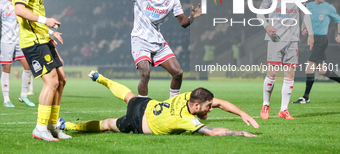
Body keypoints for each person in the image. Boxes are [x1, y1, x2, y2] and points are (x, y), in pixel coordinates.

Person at [84, 0, 201, 98]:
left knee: (178, 73)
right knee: (145, 73)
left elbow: (183, 23)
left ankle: (172, 106)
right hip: (140, 40)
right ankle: (141, 108)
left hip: (157, 41)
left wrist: (192, 17)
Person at [59, 70, 259, 137]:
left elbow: (220, 103)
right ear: (197, 106)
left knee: (128, 96)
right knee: (108, 124)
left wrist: (242, 113)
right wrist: (242, 133)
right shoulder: (187, 120)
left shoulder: (189, 96)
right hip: (138, 122)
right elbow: (214, 132)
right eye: (208, 107)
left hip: (146, 104)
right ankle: (66, 125)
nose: (211, 109)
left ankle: (100, 78)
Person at [12, 0, 71, 141]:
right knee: (51, 81)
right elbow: (19, 10)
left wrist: (50, 32)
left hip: (43, 38)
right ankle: (40, 128)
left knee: (61, 80)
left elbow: (32, 16)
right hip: (33, 42)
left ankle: (53, 126)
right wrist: (47, 21)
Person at [257, 0, 314, 119]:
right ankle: (266, 105)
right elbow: (259, 13)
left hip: (292, 40)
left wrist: (311, 33)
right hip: (276, 39)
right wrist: (266, 25)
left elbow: (306, 15)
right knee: (273, 73)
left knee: (290, 74)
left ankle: (284, 110)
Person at [293, 0, 340, 104]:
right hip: (312, 39)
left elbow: (338, 20)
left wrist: (339, 34)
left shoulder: (329, 7)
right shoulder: (309, 6)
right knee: (322, 71)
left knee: (309, 66)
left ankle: (306, 97)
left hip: (321, 40)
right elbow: (305, 21)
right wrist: (304, 29)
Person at [0, 0, 35, 108]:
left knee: (28, 66)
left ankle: (24, 95)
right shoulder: (2, 4)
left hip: (20, 41)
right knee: (6, 69)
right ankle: (6, 99)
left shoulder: (20, 5)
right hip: (6, 42)